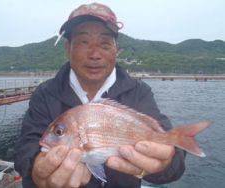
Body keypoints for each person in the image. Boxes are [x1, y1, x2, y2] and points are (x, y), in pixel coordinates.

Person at [14, 2, 185, 188]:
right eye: (83, 42)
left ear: (116, 50)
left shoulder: (139, 92)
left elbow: (172, 155)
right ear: (68, 48)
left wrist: (166, 163)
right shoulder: (45, 93)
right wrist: (38, 173)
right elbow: (26, 149)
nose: (95, 54)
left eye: (104, 44)